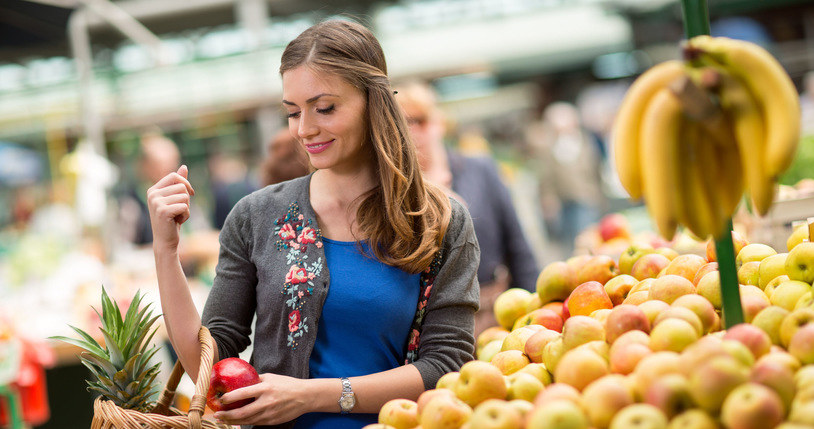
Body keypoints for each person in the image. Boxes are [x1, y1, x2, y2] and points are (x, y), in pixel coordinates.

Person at [147, 19, 480, 429]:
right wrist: (165, 250)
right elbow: (207, 363)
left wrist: (312, 396)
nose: (304, 129)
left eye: (324, 108)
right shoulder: (255, 216)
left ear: (372, 102)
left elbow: (449, 365)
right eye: (292, 112)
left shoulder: (437, 220)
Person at [394, 81, 540, 335]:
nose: (412, 131)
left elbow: (517, 246)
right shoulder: (396, 189)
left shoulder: (480, 170)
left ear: (439, 122)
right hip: (434, 328)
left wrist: (537, 310)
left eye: (420, 120)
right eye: (401, 124)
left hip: (496, 313)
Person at [525, 101, 604, 259]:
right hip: (563, 202)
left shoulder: (585, 141)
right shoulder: (548, 146)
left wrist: (599, 195)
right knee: (567, 241)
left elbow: (595, 169)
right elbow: (546, 175)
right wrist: (547, 198)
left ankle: (589, 262)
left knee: (586, 237)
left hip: (585, 198)